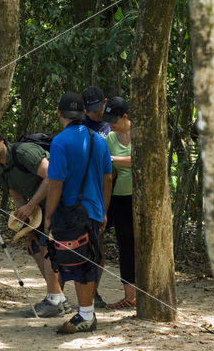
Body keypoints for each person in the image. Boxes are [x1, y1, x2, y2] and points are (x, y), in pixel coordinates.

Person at [0, 128, 70, 317]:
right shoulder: (0, 170)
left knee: (49, 248)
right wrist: (30, 231)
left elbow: (52, 176)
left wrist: (31, 206)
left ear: (1, 139)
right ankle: (58, 298)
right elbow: (18, 199)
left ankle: (55, 300)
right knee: (36, 248)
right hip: (41, 207)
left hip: (63, 200)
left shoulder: (23, 152)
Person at [44, 92, 112, 333]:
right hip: (93, 211)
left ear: (59, 113)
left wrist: (48, 215)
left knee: (75, 259)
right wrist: (103, 211)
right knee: (89, 259)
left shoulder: (60, 142)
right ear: (83, 113)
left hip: (70, 212)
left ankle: (86, 315)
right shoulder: (99, 140)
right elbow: (107, 178)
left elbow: (56, 183)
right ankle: (85, 313)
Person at [102, 96, 136, 309]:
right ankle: (130, 295)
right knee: (125, 244)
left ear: (125, 116)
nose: (110, 124)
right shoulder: (109, 140)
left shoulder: (141, 134)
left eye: (114, 119)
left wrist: (113, 159)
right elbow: (109, 172)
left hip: (140, 200)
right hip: (119, 199)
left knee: (142, 243)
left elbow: (139, 159)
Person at [81, 85, 110, 308]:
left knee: (99, 248)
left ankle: (95, 291)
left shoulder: (110, 127)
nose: (96, 113)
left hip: (105, 194)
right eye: (92, 110)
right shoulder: (79, 128)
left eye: (99, 108)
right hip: (83, 196)